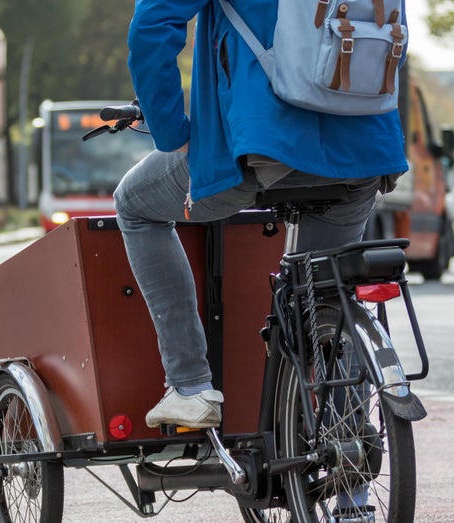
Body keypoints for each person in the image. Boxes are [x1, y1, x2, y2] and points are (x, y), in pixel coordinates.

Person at [115, 0, 409, 431]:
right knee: (329, 291)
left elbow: (152, 26)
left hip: (262, 144)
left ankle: (190, 386)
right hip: (367, 149)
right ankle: (352, 475)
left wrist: (173, 132)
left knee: (134, 205)